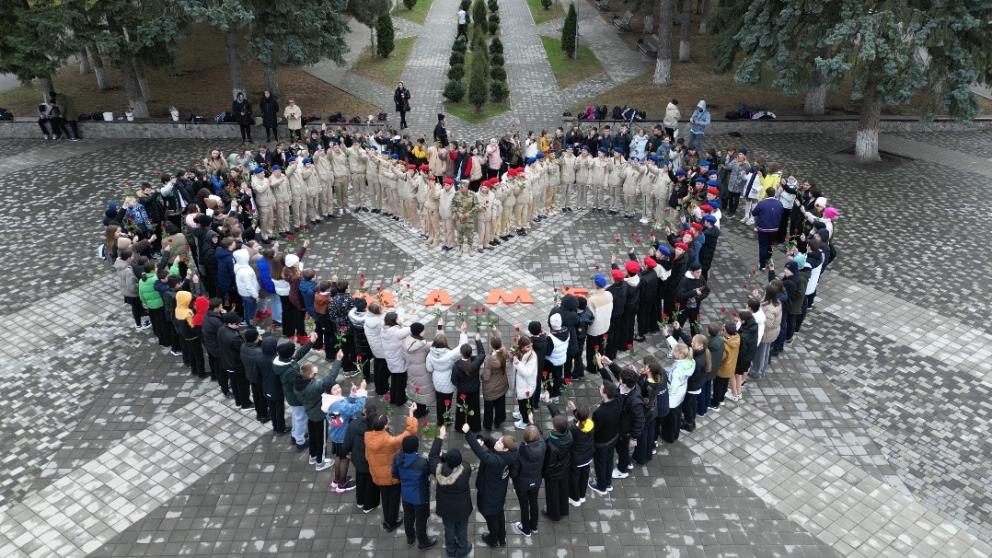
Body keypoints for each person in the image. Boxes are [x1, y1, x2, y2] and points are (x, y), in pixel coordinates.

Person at [365, 403, 418, 533]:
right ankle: (391, 522)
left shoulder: (368, 438)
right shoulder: (389, 441)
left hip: (378, 475)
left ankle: (387, 520)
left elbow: (367, 456)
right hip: (391, 476)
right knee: (394, 499)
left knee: (385, 497)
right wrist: (411, 414)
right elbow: (410, 431)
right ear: (384, 426)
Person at [464, 423, 519, 548]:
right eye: (499, 440)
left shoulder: (497, 461)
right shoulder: (510, 454)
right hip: (499, 491)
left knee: (490, 516)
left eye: (500, 443)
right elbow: (490, 440)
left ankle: (493, 539)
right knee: (499, 513)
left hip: (489, 493)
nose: (497, 443)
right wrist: (481, 439)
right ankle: (501, 537)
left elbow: (480, 453)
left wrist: (468, 433)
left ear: (505, 449)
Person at [428, 427, 472, 557]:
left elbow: (432, 456)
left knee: (449, 528)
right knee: (462, 528)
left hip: (446, 508)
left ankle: (451, 549)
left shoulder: (438, 470)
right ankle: (463, 547)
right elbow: (462, 462)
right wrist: (446, 457)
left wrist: (440, 437)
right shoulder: (466, 469)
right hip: (462, 507)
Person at [294, 356, 343, 472]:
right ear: (310, 375)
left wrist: (313, 375)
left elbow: (310, 380)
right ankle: (320, 462)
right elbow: (330, 378)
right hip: (320, 415)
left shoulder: (297, 386)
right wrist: (338, 359)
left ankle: (313, 456)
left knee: (313, 436)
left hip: (310, 414)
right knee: (322, 438)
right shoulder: (315, 386)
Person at [392, 434, 439, 550]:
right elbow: (431, 471)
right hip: (420, 497)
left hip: (406, 495)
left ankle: (410, 538)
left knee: (408, 517)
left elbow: (395, 474)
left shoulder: (397, 457)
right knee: (421, 520)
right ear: (416, 447)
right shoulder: (422, 462)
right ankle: (423, 542)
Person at [547, 399, 593, 506]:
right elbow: (581, 419)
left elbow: (561, 422)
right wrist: (575, 410)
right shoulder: (590, 424)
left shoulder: (573, 430)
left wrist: (550, 404)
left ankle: (575, 498)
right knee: (584, 476)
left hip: (576, 460)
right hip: (587, 457)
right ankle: (582, 496)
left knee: (574, 478)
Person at [325, 378, 367, 492]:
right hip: (343, 436)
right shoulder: (336, 405)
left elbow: (344, 405)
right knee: (345, 459)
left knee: (339, 457)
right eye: (335, 389)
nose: (338, 390)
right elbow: (354, 409)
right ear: (330, 392)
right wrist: (362, 392)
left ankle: (336, 480)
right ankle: (342, 484)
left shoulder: (330, 402)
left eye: (338, 387)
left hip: (336, 435)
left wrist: (352, 396)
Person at [274, 337, 315, 449]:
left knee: (297, 416)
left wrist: (310, 342)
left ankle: (295, 434)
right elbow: (301, 383)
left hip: (291, 396)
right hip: (296, 398)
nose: (295, 352)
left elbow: (298, 355)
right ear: (289, 354)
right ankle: (300, 441)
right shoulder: (289, 371)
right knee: (301, 418)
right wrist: (312, 375)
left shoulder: (282, 360)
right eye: (293, 350)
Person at [428, 323, 470, 426]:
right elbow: (462, 347)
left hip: (437, 381)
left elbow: (429, 368)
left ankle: (439, 420)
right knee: (447, 402)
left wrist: (439, 327)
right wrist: (463, 333)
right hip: (448, 382)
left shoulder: (430, 354)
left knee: (439, 402)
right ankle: (446, 419)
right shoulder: (450, 355)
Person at [587, 372, 621, 495]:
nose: (599, 388)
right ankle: (608, 483)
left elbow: (595, 429)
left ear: (605, 393)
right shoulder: (618, 400)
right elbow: (614, 387)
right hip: (613, 437)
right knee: (609, 459)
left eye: (601, 388)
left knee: (600, 464)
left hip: (601, 442)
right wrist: (602, 368)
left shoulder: (599, 413)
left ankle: (601, 486)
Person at [344, 400, 380, 512]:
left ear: (364, 411)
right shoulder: (376, 427)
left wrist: (346, 452)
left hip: (357, 459)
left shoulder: (353, 424)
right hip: (371, 461)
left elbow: (347, 441)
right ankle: (368, 505)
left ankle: (360, 501)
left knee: (360, 479)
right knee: (370, 483)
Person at [512, 423, 546, 538]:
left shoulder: (519, 453)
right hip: (536, 481)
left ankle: (526, 529)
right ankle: (534, 526)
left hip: (522, 485)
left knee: (524, 505)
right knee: (534, 502)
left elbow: (514, 473)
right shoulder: (543, 446)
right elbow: (541, 436)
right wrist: (533, 424)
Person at [540, 410, 573, 521]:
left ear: (555, 429)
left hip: (553, 474)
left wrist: (544, 474)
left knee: (552, 493)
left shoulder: (550, 444)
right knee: (564, 490)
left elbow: (549, 463)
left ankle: (554, 514)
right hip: (565, 469)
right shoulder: (569, 436)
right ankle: (564, 509)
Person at [659, 342, 693, 442]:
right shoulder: (690, 361)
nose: (672, 353)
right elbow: (677, 346)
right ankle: (676, 433)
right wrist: (668, 337)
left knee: (670, 419)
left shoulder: (678, 369)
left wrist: (666, 392)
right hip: (681, 393)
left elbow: (673, 387)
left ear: (680, 354)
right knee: (677, 416)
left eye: (674, 352)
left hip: (673, 398)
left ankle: (669, 437)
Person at [452, 334, 485, 433]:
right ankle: (475, 427)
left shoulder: (456, 365)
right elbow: (482, 353)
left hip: (462, 391)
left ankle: (460, 427)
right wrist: (478, 340)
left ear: (461, 353)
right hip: (474, 389)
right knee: (474, 408)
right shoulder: (475, 361)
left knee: (461, 409)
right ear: (471, 353)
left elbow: (454, 380)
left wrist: (459, 385)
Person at [218, 312, 251, 409]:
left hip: (227, 362)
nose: (239, 325)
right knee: (243, 385)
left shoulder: (221, 329)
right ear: (229, 324)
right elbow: (243, 350)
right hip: (237, 365)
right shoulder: (235, 338)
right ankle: (246, 404)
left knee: (234, 383)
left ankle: (238, 401)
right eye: (237, 324)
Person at [481, 331, 510, 431]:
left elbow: (486, 376)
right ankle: (498, 421)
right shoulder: (504, 353)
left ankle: (488, 424)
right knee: (500, 404)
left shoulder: (488, 360)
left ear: (491, 346)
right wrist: (497, 335)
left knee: (488, 408)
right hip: (502, 384)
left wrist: (481, 377)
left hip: (490, 388)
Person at [381, 311, 411, 406]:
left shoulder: (383, 330)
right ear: (394, 321)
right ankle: (400, 400)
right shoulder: (396, 332)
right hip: (399, 362)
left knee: (394, 380)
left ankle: (393, 398)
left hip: (391, 360)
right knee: (401, 383)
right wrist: (401, 323)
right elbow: (411, 328)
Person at [240, 328, 270, 423]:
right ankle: (263, 415)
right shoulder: (259, 353)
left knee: (256, 395)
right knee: (262, 397)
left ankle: (259, 413)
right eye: (259, 336)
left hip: (250, 375)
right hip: (260, 378)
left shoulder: (243, 346)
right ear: (256, 338)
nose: (260, 337)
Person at [752, 187, 784, 269]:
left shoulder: (762, 203)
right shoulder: (779, 203)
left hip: (763, 229)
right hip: (774, 229)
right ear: (774, 194)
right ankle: (768, 259)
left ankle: (762, 265)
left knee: (763, 246)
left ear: (766, 194)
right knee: (770, 245)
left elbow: (754, 213)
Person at [710, 322, 739, 410]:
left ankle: (715, 404)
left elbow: (722, 357)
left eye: (723, 329)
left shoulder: (724, 343)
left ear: (725, 331)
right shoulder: (737, 338)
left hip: (722, 368)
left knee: (717, 386)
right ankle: (721, 399)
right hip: (731, 367)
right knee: (725, 384)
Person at [512, 336, 538, 430]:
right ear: (522, 347)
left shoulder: (532, 357)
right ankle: (521, 413)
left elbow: (527, 373)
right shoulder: (523, 352)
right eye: (527, 346)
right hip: (522, 384)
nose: (530, 348)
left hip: (526, 386)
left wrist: (517, 363)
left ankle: (525, 421)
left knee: (524, 404)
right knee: (523, 402)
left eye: (530, 346)